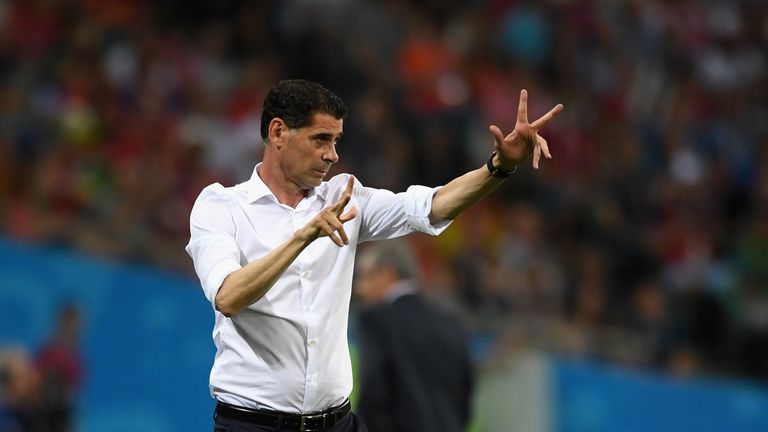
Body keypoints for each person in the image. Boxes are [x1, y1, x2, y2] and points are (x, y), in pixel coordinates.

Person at [186, 79, 562, 432]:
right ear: (279, 132)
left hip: (337, 422)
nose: (332, 154)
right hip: (253, 424)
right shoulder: (221, 206)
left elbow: (433, 205)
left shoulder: (346, 198)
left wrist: (498, 168)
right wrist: (304, 237)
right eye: (320, 139)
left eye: (336, 140)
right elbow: (229, 296)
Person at [354, 239, 474, 432]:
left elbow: (373, 394)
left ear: (387, 272)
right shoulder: (450, 321)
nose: (360, 289)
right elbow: (464, 396)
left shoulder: (375, 321)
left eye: (365, 277)